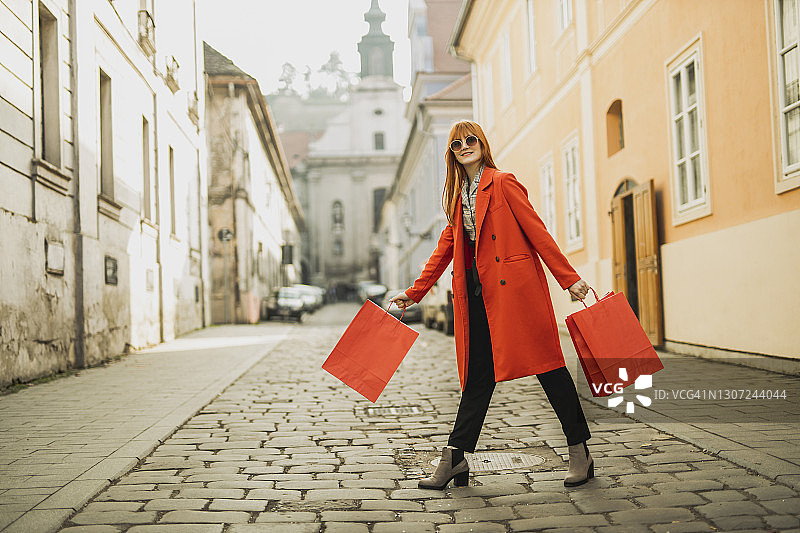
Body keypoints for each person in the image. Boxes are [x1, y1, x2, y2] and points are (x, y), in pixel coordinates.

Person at [390, 120, 594, 490]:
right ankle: (455, 456)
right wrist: (415, 292)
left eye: (470, 140)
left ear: (482, 144)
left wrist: (568, 278)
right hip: (476, 297)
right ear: (452, 154)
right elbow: (445, 249)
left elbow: (537, 232)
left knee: (549, 368)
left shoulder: (503, 182)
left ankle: (579, 450)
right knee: (477, 376)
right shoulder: (457, 198)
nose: (464, 147)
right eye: (456, 144)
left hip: (515, 294)